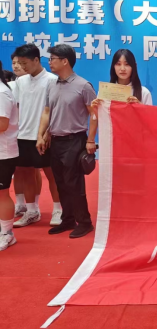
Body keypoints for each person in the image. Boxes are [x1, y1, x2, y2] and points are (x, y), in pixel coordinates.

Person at [37, 44, 97, 239]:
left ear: (65, 61)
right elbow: (47, 111)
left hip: (75, 140)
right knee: (60, 182)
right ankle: (68, 219)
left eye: (52, 58)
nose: (49, 62)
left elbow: (94, 114)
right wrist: (41, 135)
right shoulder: (51, 84)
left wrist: (90, 140)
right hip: (55, 141)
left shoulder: (83, 86)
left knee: (74, 182)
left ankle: (84, 222)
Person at [10, 45, 61, 228]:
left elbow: (55, 110)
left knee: (52, 174)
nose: (21, 67)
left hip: (43, 136)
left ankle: (58, 209)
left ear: (36, 60)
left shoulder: (52, 80)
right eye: (18, 63)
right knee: (26, 173)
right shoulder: (20, 81)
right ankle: (32, 210)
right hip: (22, 134)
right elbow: (15, 107)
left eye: (24, 63)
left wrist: (48, 132)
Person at [0, 60, 20, 251]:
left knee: (2, 194)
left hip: (3, 153)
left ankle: (7, 234)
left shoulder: (2, 93)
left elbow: (2, 125)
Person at [7, 56, 28, 217]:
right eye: (14, 63)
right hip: (14, 133)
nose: (16, 66)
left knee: (33, 171)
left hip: (31, 132)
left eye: (20, 63)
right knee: (19, 169)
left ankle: (35, 206)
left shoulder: (42, 82)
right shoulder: (10, 86)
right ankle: (20, 204)